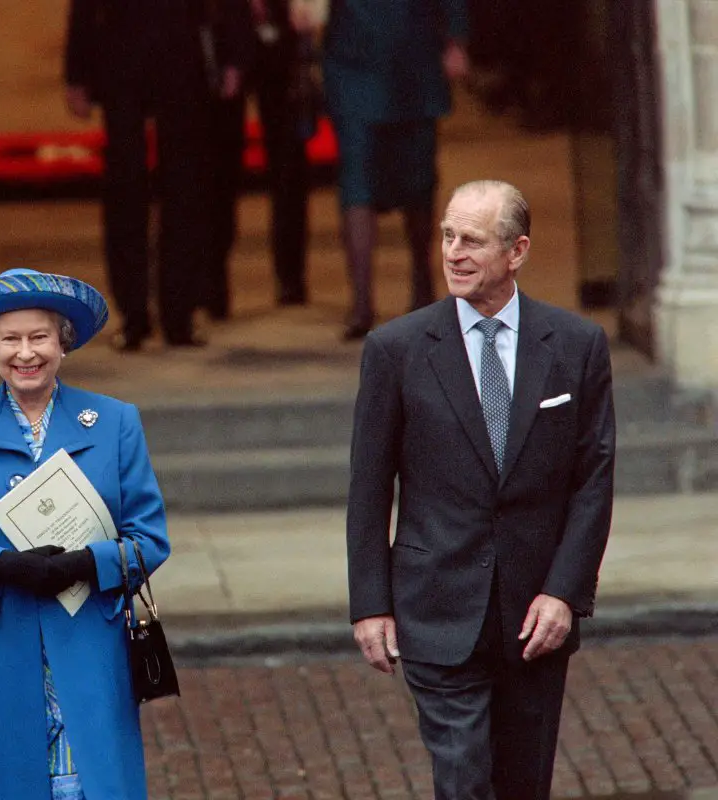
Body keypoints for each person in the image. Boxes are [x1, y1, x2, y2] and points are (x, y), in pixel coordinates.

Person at [346, 180, 615, 799]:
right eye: (447, 236)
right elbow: (368, 486)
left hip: (535, 616)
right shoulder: (396, 349)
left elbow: (593, 481)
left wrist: (565, 592)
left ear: (516, 251)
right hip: (436, 604)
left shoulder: (576, 345)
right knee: (463, 780)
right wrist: (370, 602)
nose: (453, 252)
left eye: (473, 240)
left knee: (524, 785)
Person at [0, 268, 171, 798]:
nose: (25, 353)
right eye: (10, 339)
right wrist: (3, 566)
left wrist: (85, 563)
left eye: (39, 337)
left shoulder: (116, 422)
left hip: (88, 644)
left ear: (62, 344)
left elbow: (150, 536)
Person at [64, 0, 245, 349]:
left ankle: (178, 311)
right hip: (123, 51)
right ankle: (134, 313)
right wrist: (77, 72)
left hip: (182, 53)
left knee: (185, 187)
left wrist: (234, 53)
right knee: (126, 188)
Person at [322, 0, 469, 338]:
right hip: (369, 56)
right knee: (365, 180)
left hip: (402, 57)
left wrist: (456, 38)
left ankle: (402, 287)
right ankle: (368, 297)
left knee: (408, 178)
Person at [205, 0, 312, 318]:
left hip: (280, 33)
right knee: (220, 168)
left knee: (289, 168)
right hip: (225, 32)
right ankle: (213, 281)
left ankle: (291, 276)